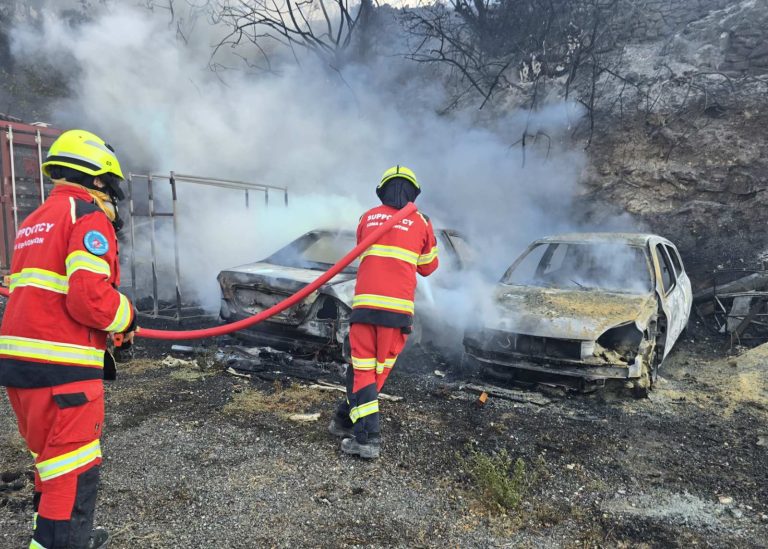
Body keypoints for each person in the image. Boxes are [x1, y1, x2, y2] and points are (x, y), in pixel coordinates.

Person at [0, 129, 137, 548]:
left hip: (21, 369)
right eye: (111, 188)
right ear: (96, 179)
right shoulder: (86, 216)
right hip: (63, 372)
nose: (113, 199)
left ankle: (58, 538)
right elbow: (89, 298)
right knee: (74, 470)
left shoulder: (34, 220)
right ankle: (66, 542)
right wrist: (128, 315)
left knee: (50, 461)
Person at [329, 165, 438, 459]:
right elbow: (428, 267)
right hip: (398, 313)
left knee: (364, 372)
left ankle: (356, 428)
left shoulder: (366, 217)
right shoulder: (422, 222)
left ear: (382, 190)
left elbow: (364, 251)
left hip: (365, 309)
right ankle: (362, 434)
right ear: (414, 192)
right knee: (374, 373)